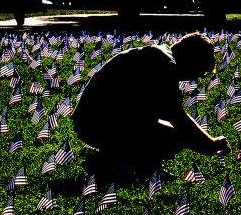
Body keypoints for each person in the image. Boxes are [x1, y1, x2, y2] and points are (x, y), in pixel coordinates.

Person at [72, 32, 229, 180]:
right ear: (191, 59)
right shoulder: (165, 65)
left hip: (95, 119)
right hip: (95, 123)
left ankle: (131, 162)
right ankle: (113, 161)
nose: (198, 78)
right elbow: (178, 119)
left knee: (164, 130)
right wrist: (211, 144)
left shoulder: (162, 56)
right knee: (174, 137)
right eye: (200, 70)